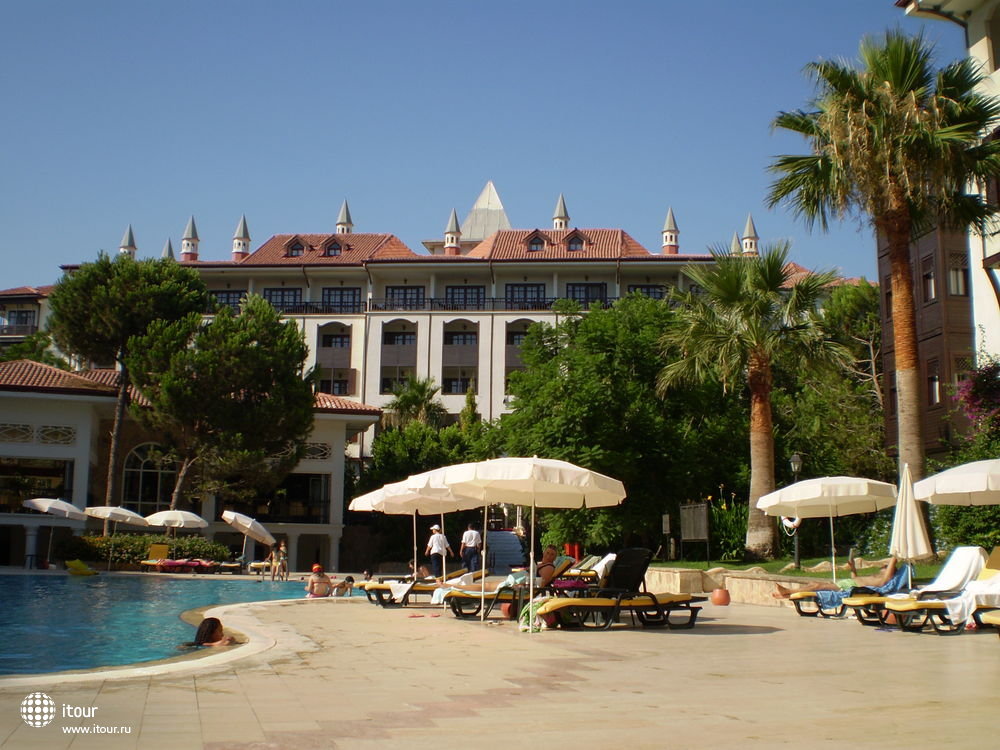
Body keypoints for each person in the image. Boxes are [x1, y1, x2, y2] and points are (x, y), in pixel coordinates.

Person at [772, 556, 899, 599]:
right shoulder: (877, 577)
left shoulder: (883, 580)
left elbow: (885, 578)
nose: (883, 566)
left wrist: (895, 557)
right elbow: (857, 578)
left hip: (849, 587)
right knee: (814, 584)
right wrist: (853, 568)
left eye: (886, 567)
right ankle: (788, 594)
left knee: (817, 586)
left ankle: (787, 592)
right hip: (849, 583)